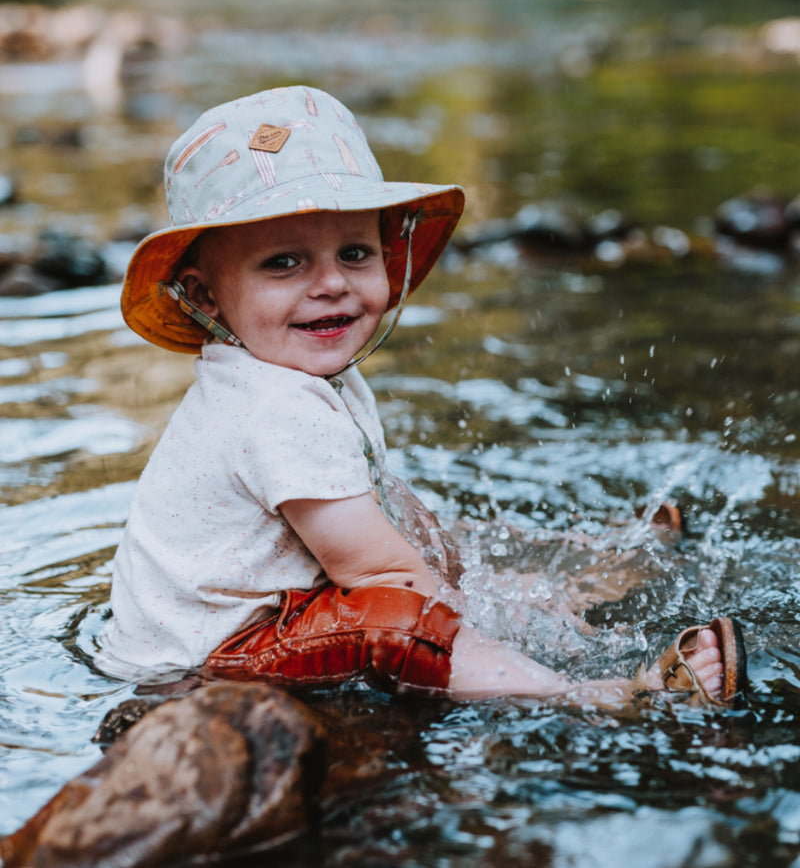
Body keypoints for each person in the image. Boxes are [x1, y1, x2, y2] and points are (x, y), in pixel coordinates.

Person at [98, 85, 746, 709]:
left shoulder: (289, 372)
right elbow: (385, 574)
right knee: (398, 612)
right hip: (205, 660)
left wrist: (462, 565)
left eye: (354, 252)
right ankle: (597, 694)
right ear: (205, 295)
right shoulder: (273, 409)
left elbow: (387, 517)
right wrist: (483, 627)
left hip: (257, 618)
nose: (331, 285)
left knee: (425, 529)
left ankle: (583, 578)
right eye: (283, 263)